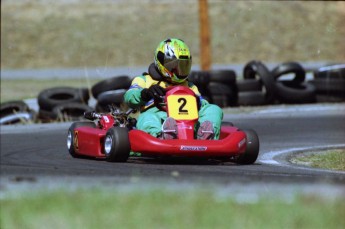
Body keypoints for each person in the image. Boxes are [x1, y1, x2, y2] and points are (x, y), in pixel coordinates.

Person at [124, 38, 223, 140]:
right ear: (161, 62)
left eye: (183, 66)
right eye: (174, 66)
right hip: (159, 118)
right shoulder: (144, 80)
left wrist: (198, 102)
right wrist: (145, 93)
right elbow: (129, 96)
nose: (179, 70)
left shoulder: (189, 86)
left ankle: (206, 135)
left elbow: (203, 105)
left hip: (189, 121)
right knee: (147, 117)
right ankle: (160, 136)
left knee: (214, 109)